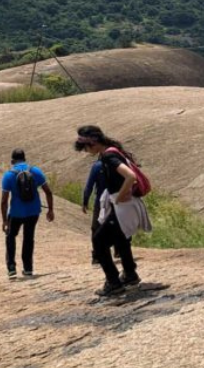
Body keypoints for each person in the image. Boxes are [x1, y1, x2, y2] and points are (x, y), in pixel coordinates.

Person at [75, 125, 152, 297]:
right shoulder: (112, 151)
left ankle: (113, 282)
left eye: (86, 148)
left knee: (99, 242)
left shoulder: (109, 156)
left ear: (93, 144)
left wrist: (119, 196)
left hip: (122, 206)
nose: (86, 151)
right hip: (127, 205)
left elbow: (130, 176)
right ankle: (130, 274)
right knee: (121, 239)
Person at [0, 149, 55, 278]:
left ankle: (12, 267)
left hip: (16, 212)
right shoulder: (35, 171)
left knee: (10, 237)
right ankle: (28, 268)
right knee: (28, 238)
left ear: (12, 161)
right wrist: (50, 210)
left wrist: (4, 220)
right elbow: (48, 191)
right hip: (33, 211)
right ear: (25, 159)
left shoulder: (8, 175)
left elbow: (4, 201)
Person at [81, 157, 106, 264]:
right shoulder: (118, 163)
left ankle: (97, 255)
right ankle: (119, 250)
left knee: (96, 228)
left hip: (101, 201)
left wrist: (85, 201)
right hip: (117, 200)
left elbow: (89, 185)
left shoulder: (97, 166)